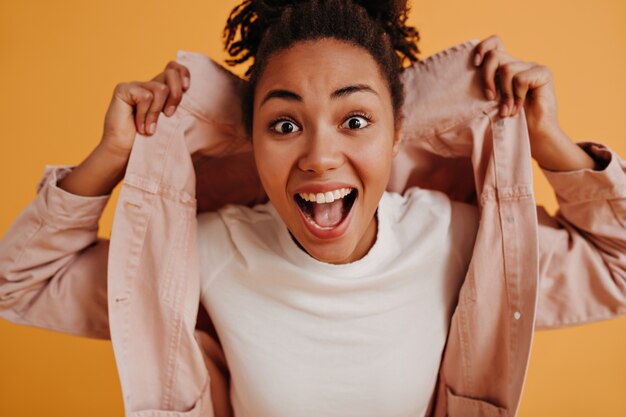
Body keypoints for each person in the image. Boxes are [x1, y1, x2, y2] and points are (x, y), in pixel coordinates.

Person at [1, 0, 625, 416]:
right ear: (252, 144)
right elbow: (20, 285)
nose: (321, 156)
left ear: (398, 133)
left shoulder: (457, 241)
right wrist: (112, 154)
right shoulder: (209, 251)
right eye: (284, 124)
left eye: (355, 120)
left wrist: (551, 144)